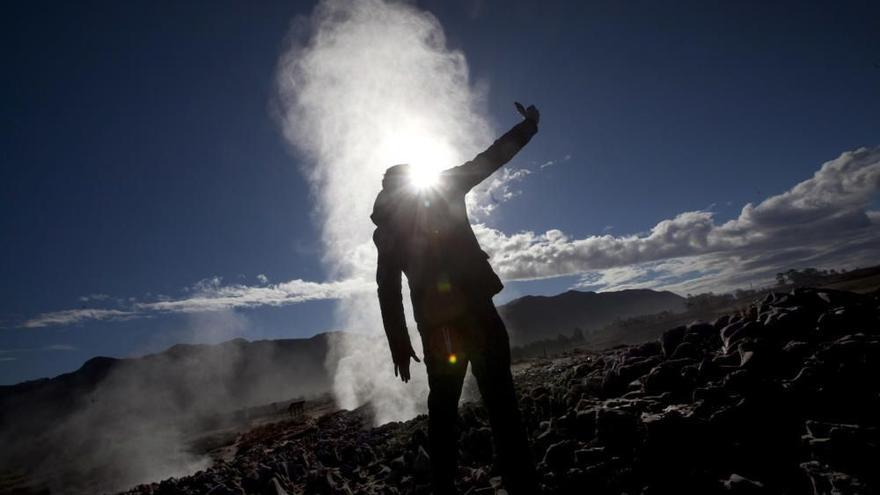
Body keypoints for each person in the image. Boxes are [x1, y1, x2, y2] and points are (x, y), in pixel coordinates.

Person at [371, 102, 541, 494]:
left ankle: (446, 487)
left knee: (444, 415)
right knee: (501, 406)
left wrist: (399, 341)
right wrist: (528, 126)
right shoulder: (441, 186)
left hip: (436, 329)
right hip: (477, 312)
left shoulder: (387, 230)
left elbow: (388, 288)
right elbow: (491, 159)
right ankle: (523, 484)